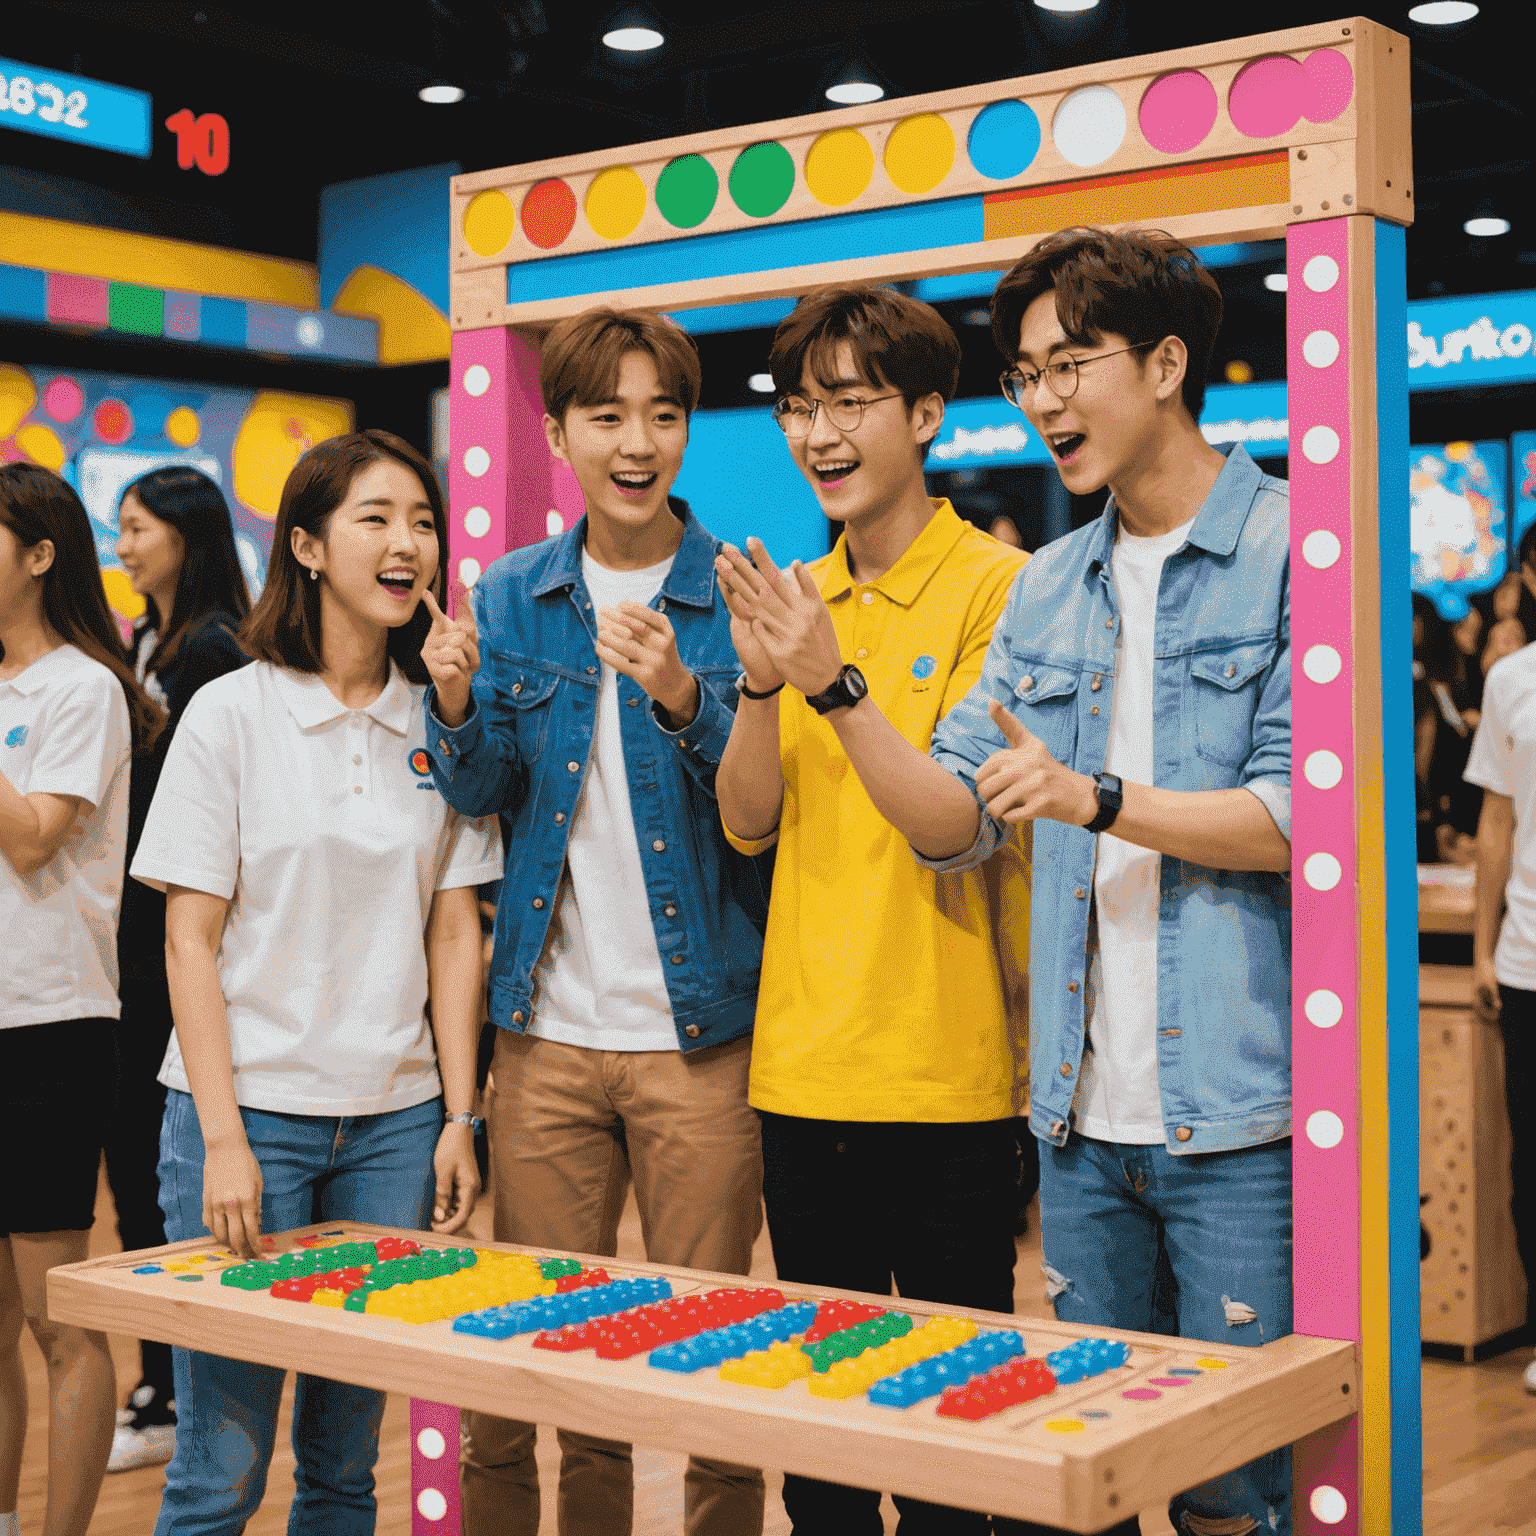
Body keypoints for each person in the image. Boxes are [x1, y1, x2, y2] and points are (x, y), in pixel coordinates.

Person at [817, 231, 1291, 1536]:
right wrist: (833, 690)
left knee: (1235, 1502)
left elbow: (1306, 817)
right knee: (1073, 1492)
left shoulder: (1296, 548)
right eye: (1026, 372)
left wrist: (1099, 801)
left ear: (1168, 362)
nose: (1042, 399)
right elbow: (951, 822)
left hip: (1239, 1119)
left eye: (1071, 363)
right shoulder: (1049, 590)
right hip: (1079, 1123)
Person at [419, 308, 773, 1536]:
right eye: (608, 416)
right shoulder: (512, 595)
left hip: (705, 1038)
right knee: (535, 1372)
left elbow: (760, 821)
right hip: (546, 1040)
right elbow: (480, 799)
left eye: (664, 414)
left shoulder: (736, 593)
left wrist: (684, 692)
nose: (639, 443)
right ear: (556, 430)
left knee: (714, 1367)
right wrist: (458, 704)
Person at [129, 431, 502, 1536]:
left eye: (423, 520)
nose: (407, 544)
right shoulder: (232, 713)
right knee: (220, 1474)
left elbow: (453, 934)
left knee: (346, 1472)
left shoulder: (436, 716)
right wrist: (228, 1136)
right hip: (247, 1121)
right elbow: (187, 942)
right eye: (376, 518)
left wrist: (459, 1115)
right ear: (305, 546)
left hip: (395, 1130)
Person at [712, 283, 1030, 1536]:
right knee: (827, 1459)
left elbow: (955, 822)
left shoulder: (1005, 588)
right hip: (801, 1075)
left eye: (850, 401)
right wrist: (753, 682)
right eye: (798, 407)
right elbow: (749, 821)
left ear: (929, 414)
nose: (818, 432)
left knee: (958, 1452)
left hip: (951, 1079)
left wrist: (830, 683)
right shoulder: (798, 595)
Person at [1, 462, 165, 1536]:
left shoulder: (81, 687)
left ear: (39, 555)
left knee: (58, 1318)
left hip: (50, 1028)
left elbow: (31, 836)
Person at [106, 467, 253, 1474]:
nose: (123, 544)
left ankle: (172, 1386)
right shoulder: (149, 641)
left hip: (176, 933)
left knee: (158, 1162)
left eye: (137, 527)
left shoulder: (209, 652)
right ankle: (162, 1379)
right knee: (135, 1163)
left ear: (186, 537)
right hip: (133, 932)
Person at [1465, 519, 1536, 1396]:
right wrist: (1482, 949)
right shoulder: (1510, 681)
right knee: (1530, 1161)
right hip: (1525, 962)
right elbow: (1495, 824)